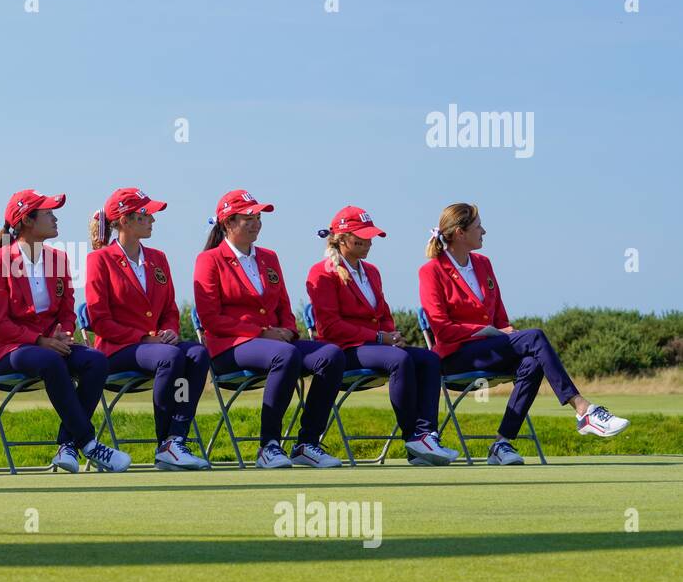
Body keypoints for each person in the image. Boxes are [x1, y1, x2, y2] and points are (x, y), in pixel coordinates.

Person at [418, 203, 629, 464]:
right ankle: (584, 410)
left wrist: (501, 330)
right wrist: (481, 331)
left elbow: (501, 320)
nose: (484, 231)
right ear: (460, 233)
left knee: (532, 362)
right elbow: (441, 328)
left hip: (490, 350)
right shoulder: (431, 271)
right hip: (456, 356)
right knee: (535, 337)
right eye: (478, 226)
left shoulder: (483, 264)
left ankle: (502, 443)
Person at [0, 189, 130, 473]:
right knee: (50, 361)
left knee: (95, 360)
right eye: (48, 213)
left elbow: (67, 311)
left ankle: (67, 446)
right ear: (26, 221)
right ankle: (87, 443)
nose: (55, 217)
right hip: (7, 350)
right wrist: (39, 340)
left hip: (50, 346)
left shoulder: (58, 259)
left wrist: (62, 334)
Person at [193, 189, 346, 468]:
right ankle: (269, 445)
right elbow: (210, 319)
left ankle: (307, 443)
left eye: (258, 217)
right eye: (248, 218)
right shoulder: (209, 260)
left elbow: (284, 307)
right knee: (285, 355)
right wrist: (262, 332)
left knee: (331, 355)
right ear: (228, 223)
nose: (256, 223)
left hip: (274, 343)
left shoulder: (269, 257)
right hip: (229, 348)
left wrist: (287, 330)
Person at [305, 206, 458, 465]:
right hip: (344, 351)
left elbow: (383, 313)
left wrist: (391, 334)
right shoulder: (322, 272)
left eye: (370, 237)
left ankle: (426, 434)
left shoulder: (372, 271)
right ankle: (413, 437)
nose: (368, 243)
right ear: (341, 238)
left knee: (429, 359)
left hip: (376, 347)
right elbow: (331, 327)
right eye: (360, 238)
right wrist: (378, 338)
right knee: (398, 360)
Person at [84, 187, 210, 469]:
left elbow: (169, 309)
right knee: (172, 357)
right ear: (125, 220)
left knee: (198, 354)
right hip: (118, 350)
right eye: (145, 214)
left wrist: (169, 330)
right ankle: (165, 443)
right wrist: (144, 338)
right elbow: (99, 320)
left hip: (156, 347)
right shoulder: (99, 260)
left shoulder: (159, 258)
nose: (152, 220)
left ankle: (175, 439)